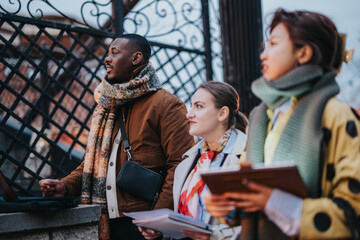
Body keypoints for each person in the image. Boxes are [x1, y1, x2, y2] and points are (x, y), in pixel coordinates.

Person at [205, 9, 360, 240]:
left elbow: (353, 214)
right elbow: (250, 193)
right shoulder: (261, 117)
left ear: (304, 53)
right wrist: (228, 207)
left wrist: (274, 202)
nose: (263, 55)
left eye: (274, 44)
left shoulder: (336, 114)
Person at [39, 34, 194, 240]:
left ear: (136, 58)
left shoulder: (165, 104)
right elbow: (93, 162)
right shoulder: (106, 105)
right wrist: (65, 186)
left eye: (114, 52)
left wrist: (159, 216)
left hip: (145, 220)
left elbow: (181, 164)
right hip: (106, 221)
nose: (106, 59)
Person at [138, 81, 248, 240]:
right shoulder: (187, 164)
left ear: (222, 113)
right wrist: (161, 233)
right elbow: (184, 223)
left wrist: (213, 236)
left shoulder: (248, 156)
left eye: (199, 106)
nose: (189, 114)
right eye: (192, 106)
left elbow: (258, 223)